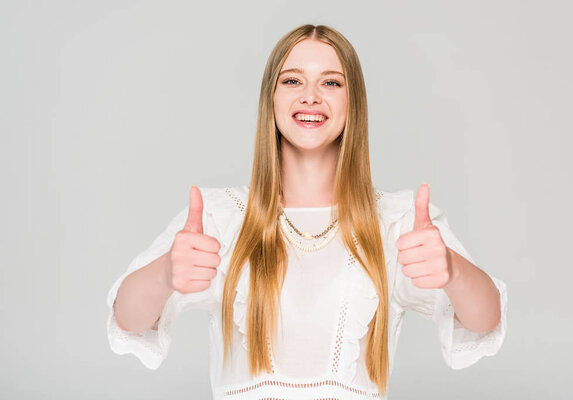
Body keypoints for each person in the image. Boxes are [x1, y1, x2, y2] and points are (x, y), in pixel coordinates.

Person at [106, 24, 507, 399]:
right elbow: (129, 321)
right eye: (293, 80)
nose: (310, 95)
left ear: (354, 102)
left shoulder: (397, 222)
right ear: (272, 99)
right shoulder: (220, 217)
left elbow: (484, 321)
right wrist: (164, 275)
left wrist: (452, 271)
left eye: (331, 82)